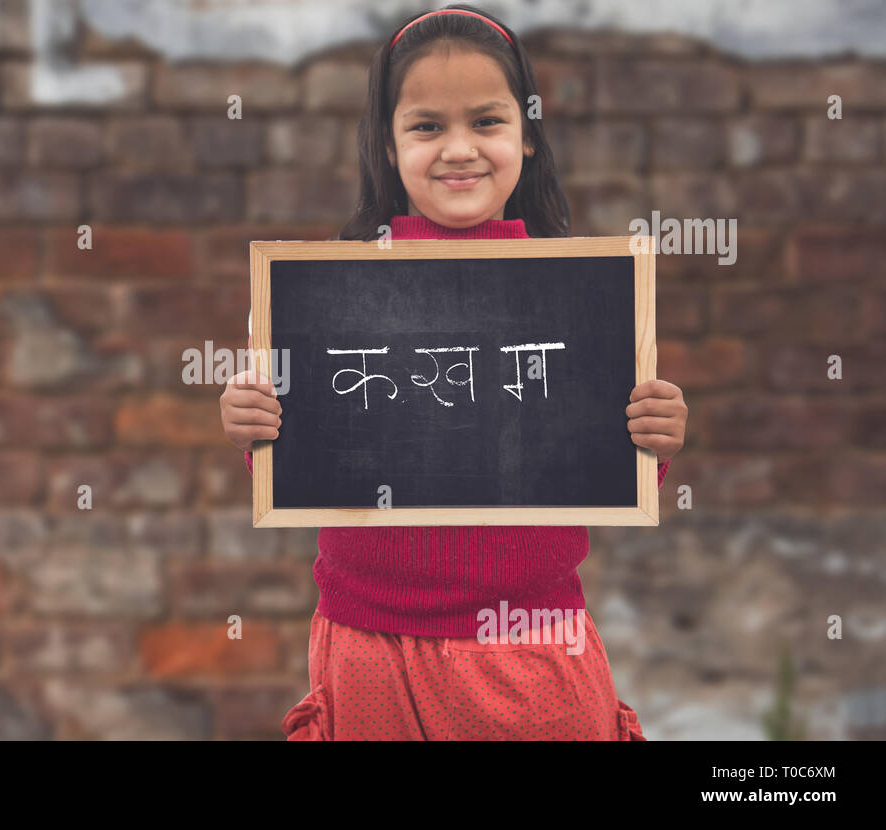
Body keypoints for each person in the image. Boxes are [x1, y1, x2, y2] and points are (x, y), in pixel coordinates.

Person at [218, 5, 688, 740]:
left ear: (527, 136)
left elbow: (605, 466)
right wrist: (252, 425)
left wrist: (653, 441)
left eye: (488, 122)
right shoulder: (330, 293)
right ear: (388, 142)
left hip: (530, 648)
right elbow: (295, 457)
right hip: (368, 644)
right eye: (428, 126)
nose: (459, 149)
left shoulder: (578, 293)